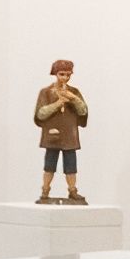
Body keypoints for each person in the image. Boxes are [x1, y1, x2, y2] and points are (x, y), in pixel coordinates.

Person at [36, 58, 89, 205]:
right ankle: (45, 191)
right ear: (55, 74)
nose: (65, 78)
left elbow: (83, 111)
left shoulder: (74, 92)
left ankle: (73, 191)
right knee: (49, 165)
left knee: (71, 166)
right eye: (61, 74)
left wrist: (74, 99)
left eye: (68, 74)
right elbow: (41, 113)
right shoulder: (46, 92)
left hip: (70, 136)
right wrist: (57, 103)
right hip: (52, 135)